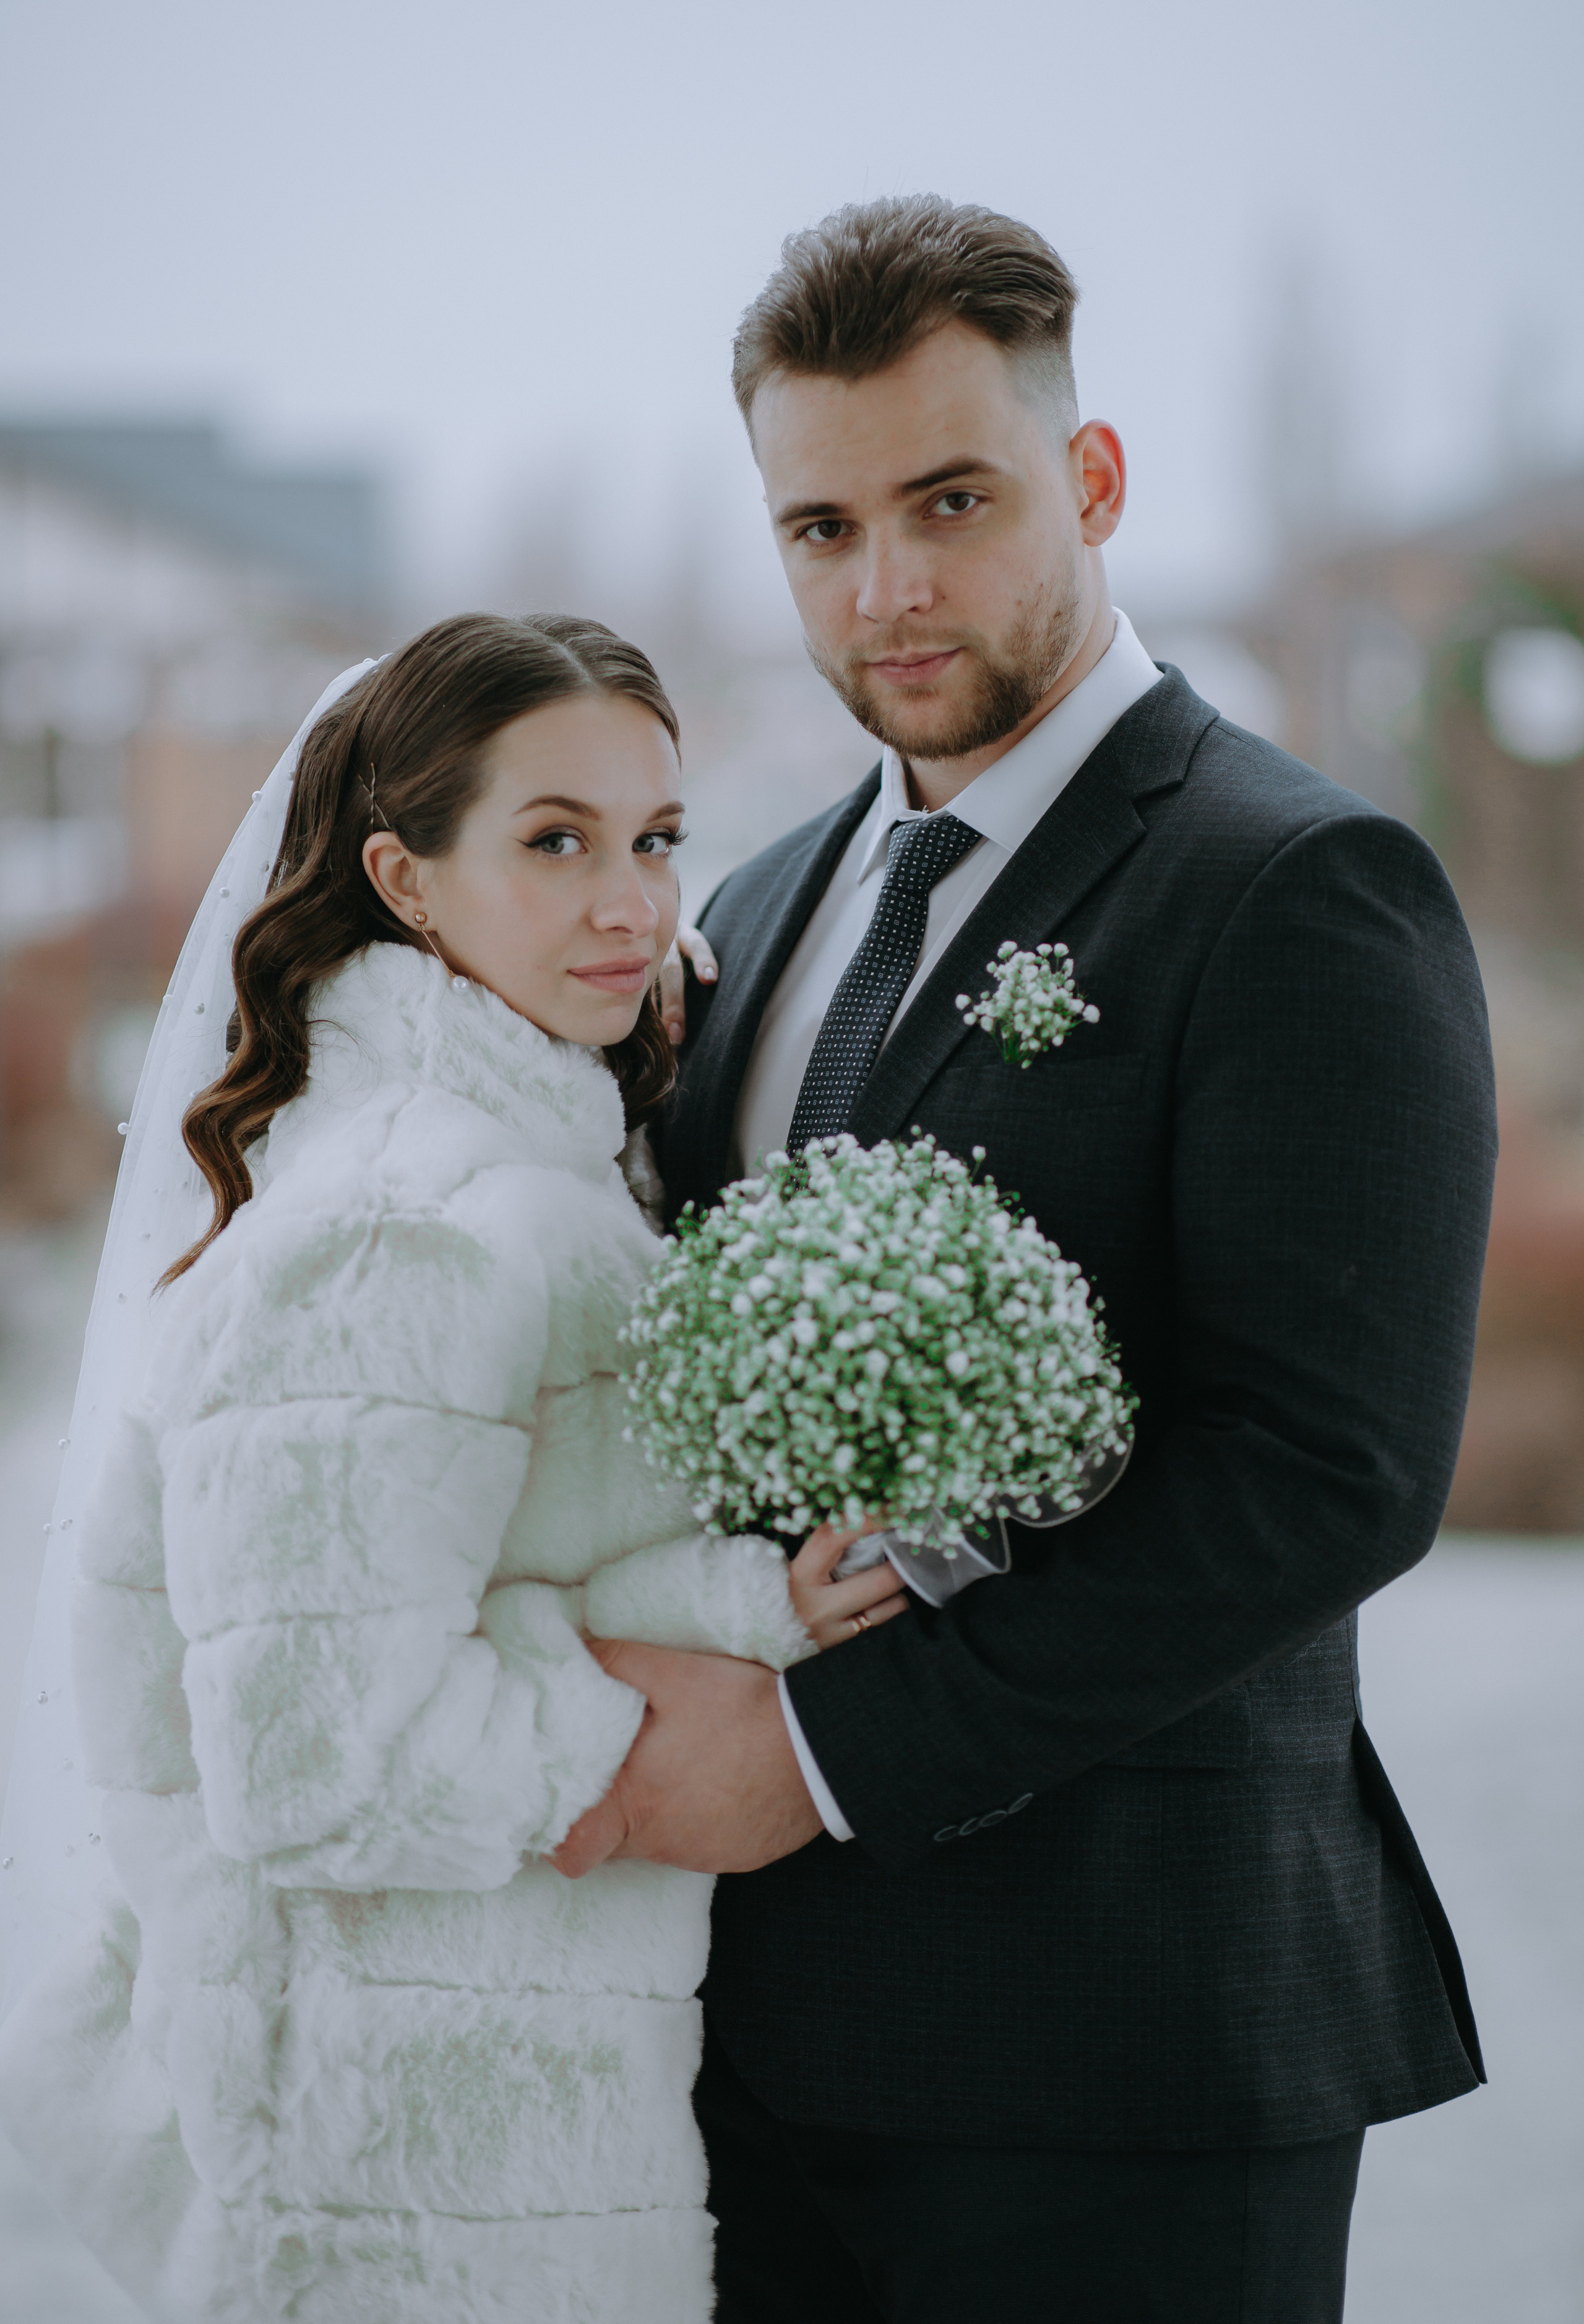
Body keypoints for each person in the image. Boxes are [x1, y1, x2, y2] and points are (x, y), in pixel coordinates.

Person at [554, 198, 1497, 2323]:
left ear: (1092, 481)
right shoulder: (770, 900)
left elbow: (1325, 1473)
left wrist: (811, 1758)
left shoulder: (1305, 886)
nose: (884, 588)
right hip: (747, 2053)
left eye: (951, 502)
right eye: (819, 527)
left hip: (1133, 2045)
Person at [0, 612, 818, 2323]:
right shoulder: (402, 1226)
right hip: (401, 2189)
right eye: (556, 841)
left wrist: (775, 1600)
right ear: (407, 878)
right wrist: (673, 1722)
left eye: (658, 840)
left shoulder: (530, 1178)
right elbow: (313, 1759)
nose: (634, 904)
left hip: (514, 2138)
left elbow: (516, 1572)